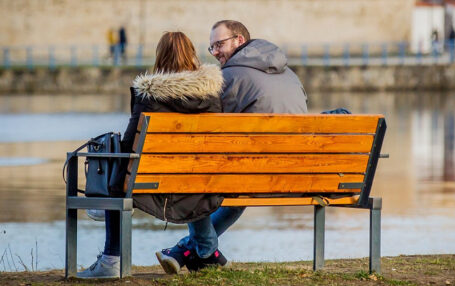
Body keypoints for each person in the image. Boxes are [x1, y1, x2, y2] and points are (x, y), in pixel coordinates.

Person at [158, 20, 308, 274]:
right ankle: (195, 250)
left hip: (252, 175)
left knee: (192, 174)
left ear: (239, 41)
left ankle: (200, 249)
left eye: (219, 44)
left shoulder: (228, 77)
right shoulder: (289, 75)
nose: (215, 52)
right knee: (237, 191)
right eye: (212, 47)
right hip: (298, 175)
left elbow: (201, 130)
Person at [77, 31, 224, 278]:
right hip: (200, 183)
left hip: (152, 182)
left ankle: (111, 259)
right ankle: (207, 253)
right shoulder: (213, 96)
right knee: (183, 175)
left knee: (118, 165)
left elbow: (128, 145)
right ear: (193, 56)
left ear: (160, 58)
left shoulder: (149, 95)